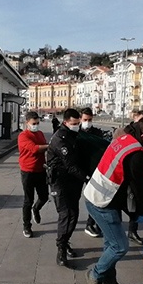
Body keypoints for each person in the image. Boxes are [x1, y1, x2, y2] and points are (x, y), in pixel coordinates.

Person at [83, 116, 143, 284]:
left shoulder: (127, 136)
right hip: (102, 201)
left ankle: (109, 280)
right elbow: (138, 186)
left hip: (99, 194)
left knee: (110, 244)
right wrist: (141, 212)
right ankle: (95, 275)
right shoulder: (136, 153)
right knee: (120, 246)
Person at [46, 108, 88, 268]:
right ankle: (61, 249)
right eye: (74, 123)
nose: (77, 126)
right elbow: (70, 165)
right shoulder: (60, 139)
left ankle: (65, 241)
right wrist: (88, 179)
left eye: (79, 123)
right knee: (66, 214)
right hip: (60, 181)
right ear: (65, 122)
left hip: (73, 182)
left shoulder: (75, 135)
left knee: (74, 215)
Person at [111, 109, 143, 245]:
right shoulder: (122, 132)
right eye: (140, 121)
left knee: (134, 204)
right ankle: (101, 226)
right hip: (120, 176)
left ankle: (132, 231)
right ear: (135, 120)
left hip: (136, 174)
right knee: (115, 205)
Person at [17, 111, 49, 238]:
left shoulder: (40, 134)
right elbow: (35, 149)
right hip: (28, 171)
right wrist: (50, 146)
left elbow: (43, 147)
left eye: (37, 123)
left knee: (44, 197)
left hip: (41, 170)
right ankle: (27, 226)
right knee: (28, 200)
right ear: (27, 123)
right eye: (33, 123)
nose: (35, 125)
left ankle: (36, 209)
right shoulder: (23, 136)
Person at [79, 107, 105, 238]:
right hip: (78, 170)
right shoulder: (76, 131)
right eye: (85, 120)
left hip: (93, 169)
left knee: (93, 198)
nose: (87, 122)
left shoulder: (96, 133)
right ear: (80, 119)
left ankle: (90, 223)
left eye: (89, 120)